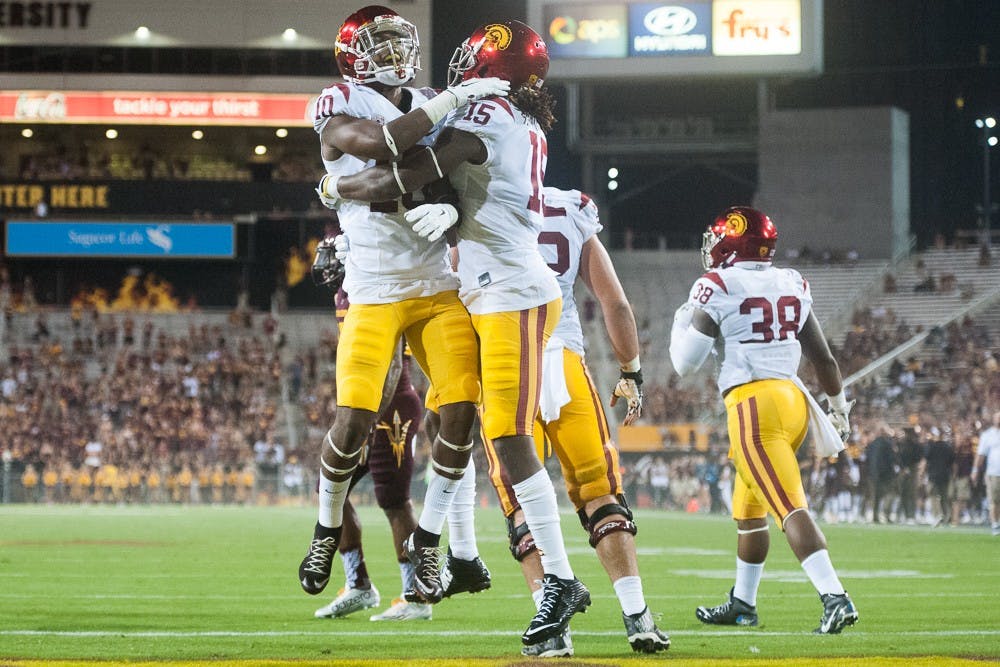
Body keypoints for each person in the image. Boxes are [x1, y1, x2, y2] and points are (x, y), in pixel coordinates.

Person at [319, 20, 592, 646]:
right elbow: (449, 180)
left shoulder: (490, 113)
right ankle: (459, 550)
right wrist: (454, 212)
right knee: (460, 419)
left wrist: (335, 188)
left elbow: (401, 174)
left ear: (492, 66)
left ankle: (554, 578)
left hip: (511, 295)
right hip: (488, 290)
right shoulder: (513, 115)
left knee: (507, 436)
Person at [297, 5, 508, 605]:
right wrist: (448, 104)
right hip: (373, 289)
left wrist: (450, 208)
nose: (392, 54)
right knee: (354, 418)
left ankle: (430, 544)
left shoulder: (427, 97)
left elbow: (440, 171)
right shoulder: (341, 101)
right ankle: (326, 523)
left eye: (397, 42)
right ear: (352, 53)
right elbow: (385, 144)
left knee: (463, 409)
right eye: (378, 43)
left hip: (437, 283)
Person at [483, 186, 669, 656]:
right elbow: (615, 302)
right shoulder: (569, 206)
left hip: (504, 362)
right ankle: (638, 616)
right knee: (599, 492)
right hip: (561, 357)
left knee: (521, 504)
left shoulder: (473, 195)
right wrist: (630, 370)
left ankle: (553, 630)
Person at [669, 206, 859, 635]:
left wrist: (680, 322)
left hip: (754, 405)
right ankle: (743, 603)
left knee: (789, 506)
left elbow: (686, 362)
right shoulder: (790, 280)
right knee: (749, 511)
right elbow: (823, 357)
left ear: (734, 241)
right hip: (792, 400)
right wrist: (839, 408)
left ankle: (835, 597)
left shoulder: (717, 283)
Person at [308, 239, 434, 621]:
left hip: (391, 405)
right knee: (329, 489)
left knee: (394, 500)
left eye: (335, 256)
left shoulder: (379, 285)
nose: (327, 265)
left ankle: (416, 596)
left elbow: (393, 364)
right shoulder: (350, 291)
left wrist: (366, 425)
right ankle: (358, 583)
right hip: (368, 405)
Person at [971, 411, 1000, 536]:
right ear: (994, 419)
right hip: (993, 472)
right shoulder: (987, 435)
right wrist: (975, 470)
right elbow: (981, 454)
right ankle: (995, 524)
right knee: (994, 499)